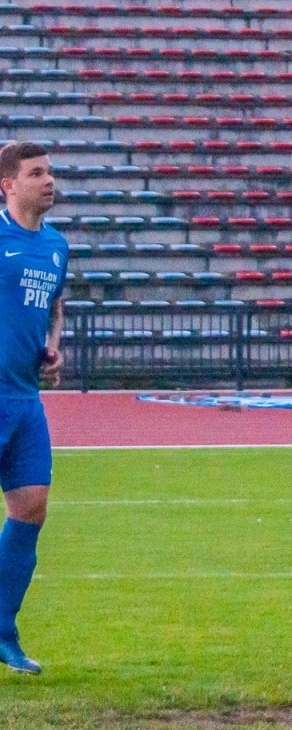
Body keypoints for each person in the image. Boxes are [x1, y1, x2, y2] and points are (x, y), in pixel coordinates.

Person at [0, 141, 68, 674]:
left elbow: (54, 308)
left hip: (25, 399)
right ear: (8, 184)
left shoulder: (57, 247)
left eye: (50, 172)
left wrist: (53, 346)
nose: (49, 180)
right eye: (37, 172)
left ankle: (3, 630)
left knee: (31, 510)